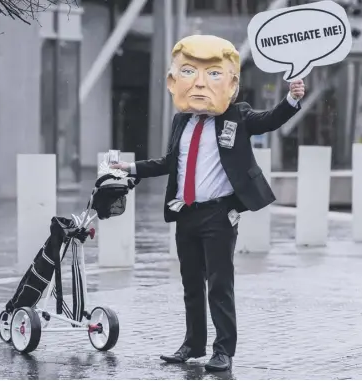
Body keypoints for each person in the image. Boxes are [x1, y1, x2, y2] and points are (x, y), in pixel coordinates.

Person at [111, 34, 305, 371]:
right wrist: (130, 168)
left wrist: (291, 98)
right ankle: (192, 344)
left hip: (219, 212)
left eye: (213, 74)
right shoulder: (182, 120)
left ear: (229, 83)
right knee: (190, 284)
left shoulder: (237, 115)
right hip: (186, 212)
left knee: (219, 283)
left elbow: (270, 120)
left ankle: (223, 351)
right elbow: (171, 162)